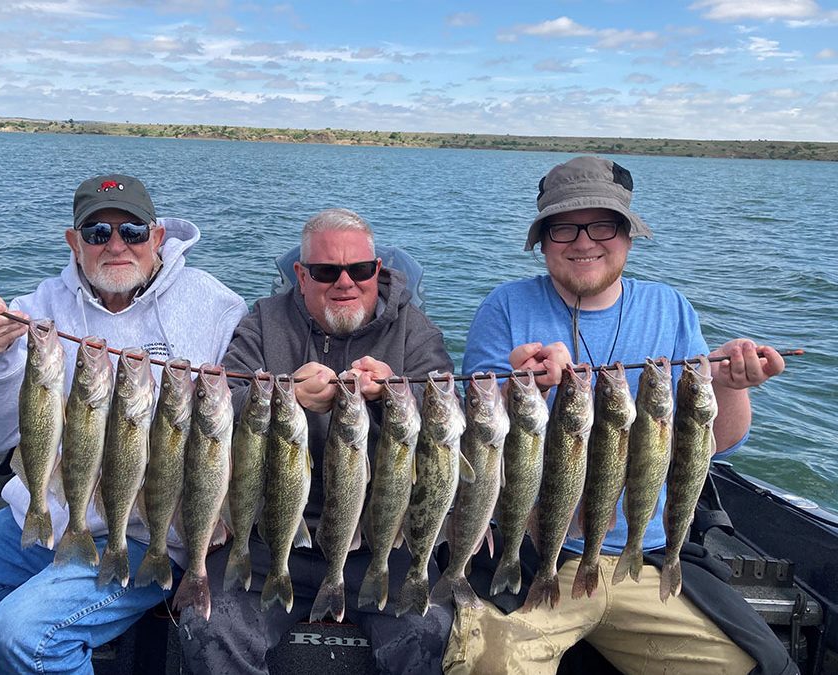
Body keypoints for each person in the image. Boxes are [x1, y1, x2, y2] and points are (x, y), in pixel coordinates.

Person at [0, 174, 248, 674]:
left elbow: (241, 432)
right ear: (74, 243)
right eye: (97, 233)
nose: (116, 245)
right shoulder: (38, 310)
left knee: (27, 635)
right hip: (39, 519)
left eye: (132, 231)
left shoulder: (217, 308)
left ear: (157, 237)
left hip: (146, 532)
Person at [444, 156, 795, 675]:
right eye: (564, 227)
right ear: (542, 240)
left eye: (602, 224)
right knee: (485, 664)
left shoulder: (670, 307)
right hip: (542, 552)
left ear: (628, 235)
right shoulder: (505, 307)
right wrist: (518, 388)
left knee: (758, 666)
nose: (584, 242)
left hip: (648, 559)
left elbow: (713, 443)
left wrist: (727, 385)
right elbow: (481, 441)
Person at [177, 208, 456, 674]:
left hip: (383, 537)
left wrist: (397, 394)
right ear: (302, 276)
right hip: (275, 534)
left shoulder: (416, 331)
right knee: (207, 627)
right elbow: (223, 397)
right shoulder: (264, 320)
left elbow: (454, 417)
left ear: (379, 271)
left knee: (433, 634)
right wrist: (284, 393)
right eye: (327, 271)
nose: (345, 282)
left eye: (361, 270)